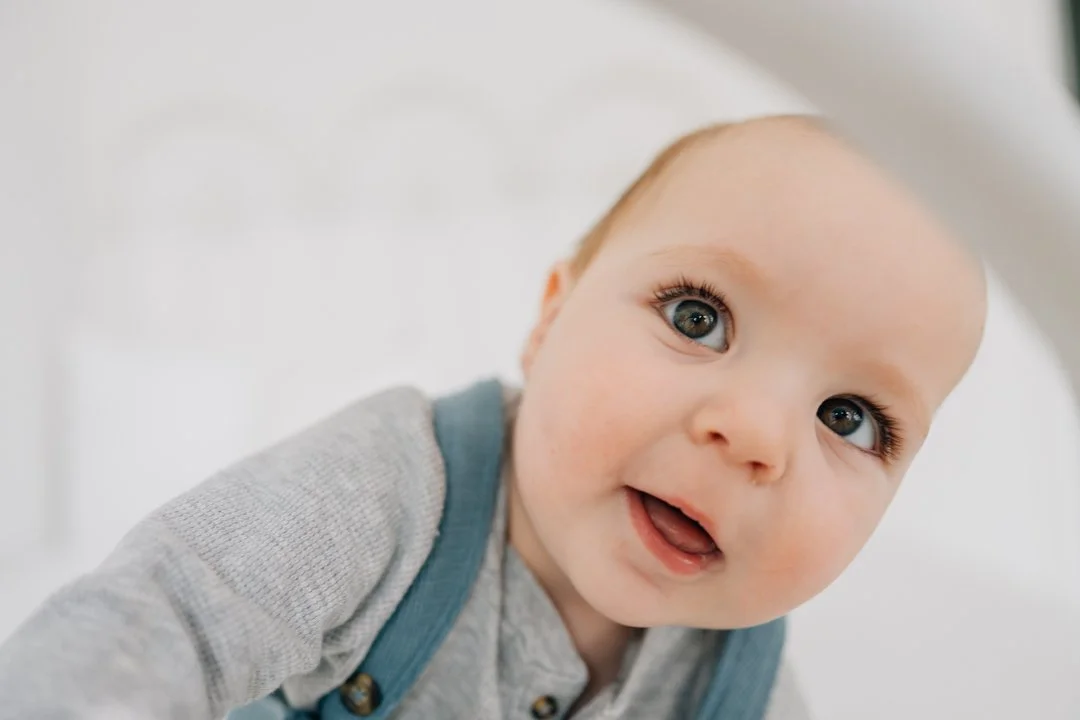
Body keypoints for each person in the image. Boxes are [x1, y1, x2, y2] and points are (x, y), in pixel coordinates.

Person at [0, 115, 987, 719]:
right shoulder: (388, 492)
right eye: (699, 316)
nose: (758, 437)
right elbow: (158, 622)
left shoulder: (741, 684)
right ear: (550, 317)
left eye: (851, 418)